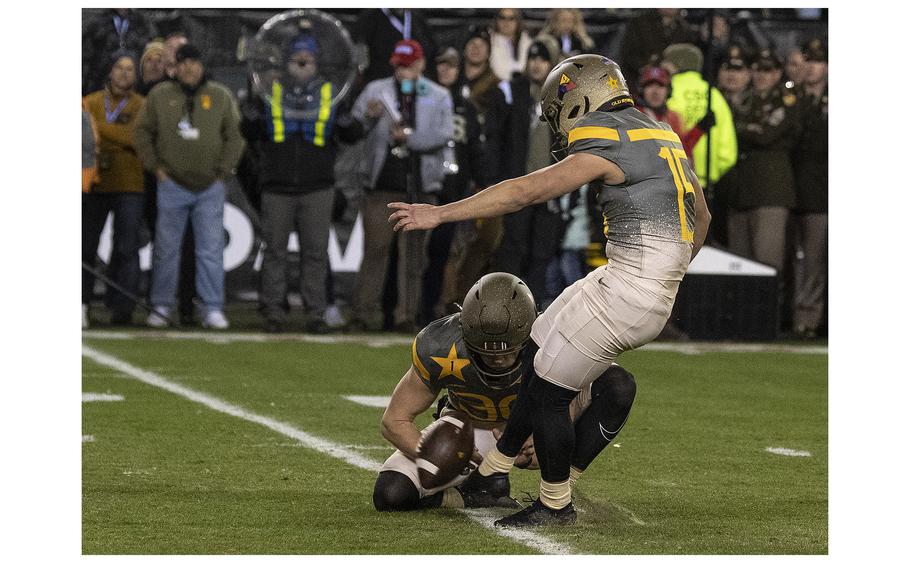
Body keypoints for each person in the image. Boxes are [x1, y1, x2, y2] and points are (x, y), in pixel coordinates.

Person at [388, 54, 711, 526]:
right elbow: (701, 217)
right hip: (631, 280)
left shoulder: (605, 134)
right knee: (535, 343)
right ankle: (496, 466)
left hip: (630, 288)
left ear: (580, 101)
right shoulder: (657, 130)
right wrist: (669, 275)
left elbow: (527, 191)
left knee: (551, 396)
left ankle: (555, 501)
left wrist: (439, 214)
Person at [373, 272, 637, 512]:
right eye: (486, 352)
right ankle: (476, 491)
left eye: (508, 350)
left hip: (539, 420)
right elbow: (394, 421)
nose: (498, 360)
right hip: (475, 430)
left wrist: (553, 427)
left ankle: (561, 484)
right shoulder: (441, 345)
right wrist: (436, 457)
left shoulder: (554, 333)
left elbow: (586, 381)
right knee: (392, 493)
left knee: (617, 384)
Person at [241, 34, 362, 334]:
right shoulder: (269, 91)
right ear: (288, 61)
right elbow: (251, 131)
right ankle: (273, 312)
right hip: (277, 185)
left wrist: (349, 119)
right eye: (297, 56)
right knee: (274, 252)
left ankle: (316, 314)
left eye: (308, 57)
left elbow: (351, 133)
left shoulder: (331, 94)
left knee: (316, 253)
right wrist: (253, 108)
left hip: (317, 185)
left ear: (316, 62)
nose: (303, 61)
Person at [133, 44, 246, 330]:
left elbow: (235, 137)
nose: (188, 68)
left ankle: (212, 308)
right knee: (166, 250)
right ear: (176, 67)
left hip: (210, 186)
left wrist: (223, 172)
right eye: (183, 62)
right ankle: (161, 305)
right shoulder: (160, 95)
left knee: (210, 250)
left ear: (201, 66)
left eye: (193, 62)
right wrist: (156, 169)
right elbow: (142, 132)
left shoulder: (220, 95)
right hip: (171, 183)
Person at [347, 40, 454, 333]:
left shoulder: (438, 95)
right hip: (381, 183)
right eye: (398, 65)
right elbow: (353, 127)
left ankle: (406, 315)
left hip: (420, 184)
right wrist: (368, 117)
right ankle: (361, 313)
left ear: (420, 64)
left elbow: (444, 135)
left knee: (413, 256)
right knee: (375, 250)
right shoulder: (376, 90)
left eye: (408, 65)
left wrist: (411, 138)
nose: (402, 70)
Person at [491, 36, 567, 304]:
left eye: (543, 59)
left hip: (550, 188)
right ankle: (503, 308)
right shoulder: (514, 91)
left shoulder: (563, 97)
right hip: (519, 184)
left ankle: (529, 310)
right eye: (533, 59)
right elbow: (497, 138)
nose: (536, 65)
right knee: (512, 248)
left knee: (541, 252)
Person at [420, 47, 487, 323]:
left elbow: (474, 150)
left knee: (444, 253)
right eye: (442, 64)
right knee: (416, 253)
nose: (446, 70)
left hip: (454, 191)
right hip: (425, 185)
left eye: (452, 65)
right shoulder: (422, 101)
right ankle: (407, 309)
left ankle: (434, 309)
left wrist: (477, 184)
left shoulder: (466, 108)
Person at [82, 51, 147, 327]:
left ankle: (122, 309)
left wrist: (100, 130)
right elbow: (81, 135)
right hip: (94, 183)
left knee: (127, 248)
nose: (124, 74)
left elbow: (137, 138)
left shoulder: (143, 105)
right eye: (119, 68)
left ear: (136, 75)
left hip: (129, 184)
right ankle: (81, 303)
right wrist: (118, 139)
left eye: (130, 69)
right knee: (85, 247)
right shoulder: (92, 100)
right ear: (110, 71)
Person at [725, 48, 801, 280]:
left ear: (778, 73)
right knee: (737, 267)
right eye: (757, 70)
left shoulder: (787, 99)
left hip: (771, 192)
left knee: (767, 268)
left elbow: (766, 135)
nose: (762, 75)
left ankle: (768, 317)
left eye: (768, 70)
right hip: (740, 192)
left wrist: (740, 129)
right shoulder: (743, 98)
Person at [790, 39, 827, 339]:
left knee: (815, 260)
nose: (813, 67)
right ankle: (794, 319)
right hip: (795, 188)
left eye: (819, 61)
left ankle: (811, 320)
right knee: (800, 260)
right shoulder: (793, 97)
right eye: (809, 61)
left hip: (822, 191)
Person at [663, 43, 738, 185]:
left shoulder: (667, 93)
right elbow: (728, 150)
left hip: (673, 178)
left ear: (675, 64)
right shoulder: (714, 95)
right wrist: (713, 172)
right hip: (707, 182)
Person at [82, 8, 157, 95]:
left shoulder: (143, 23)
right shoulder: (96, 23)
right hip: (99, 84)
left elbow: (152, 52)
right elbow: (85, 58)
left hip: (135, 87)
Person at [619, 8, 697, 82]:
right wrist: (655, 65)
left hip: (672, 84)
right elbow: (628, 54)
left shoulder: (684, 29)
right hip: (638, 82)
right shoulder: (638, 22)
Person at [489, 8, 533, 81]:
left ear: (517, 21)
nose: (506, 22)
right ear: (497, 20)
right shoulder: (488, 42)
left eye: (511, 18)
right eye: (502, 18)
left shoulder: (528, 43)